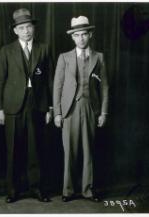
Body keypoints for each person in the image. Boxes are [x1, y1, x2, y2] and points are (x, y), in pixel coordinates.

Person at [0, 8, 54, 203]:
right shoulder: (6, 50)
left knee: (35, 148)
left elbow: (49, 80)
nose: (26, 31)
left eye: (29, 26)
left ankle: (37, 188)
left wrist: (50, 108)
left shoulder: (44, 48)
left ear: (33, 28)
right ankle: (12, 190)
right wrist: (0, 109)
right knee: (13, 149)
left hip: (37, 104)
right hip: (12, 105)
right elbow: (0, 81)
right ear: (15, 31)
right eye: (22, 28)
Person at [53, 16, 109, 202]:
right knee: (69, 151)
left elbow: (104, 87)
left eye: (84, 34)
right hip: (69, 109)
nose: (81, 38)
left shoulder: (99, 57)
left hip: (90, 108)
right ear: (72, 37)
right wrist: (58, 113)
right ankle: (67, 191)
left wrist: (103, 112)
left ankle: (88, 190)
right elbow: (57, 87)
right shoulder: (64, 57)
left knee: (88, 150)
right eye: (77, 35)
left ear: (90, 34)